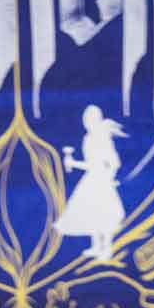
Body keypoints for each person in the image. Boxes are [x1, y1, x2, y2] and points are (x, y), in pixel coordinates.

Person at [57, 105, 125, 260]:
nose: (87, 122)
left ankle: (106, 249)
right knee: (91, 212)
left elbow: (115, 162)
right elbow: (91, 164)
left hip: (101, 180)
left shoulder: (102, 138)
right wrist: (73, 163)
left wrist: (110, 177)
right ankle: (96, 246)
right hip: (91, 178)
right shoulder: (87, 138)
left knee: (104, 214)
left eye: (90, 119)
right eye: (85, 119)